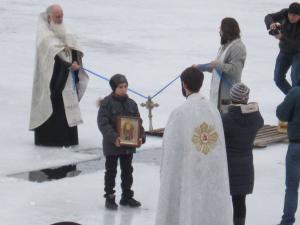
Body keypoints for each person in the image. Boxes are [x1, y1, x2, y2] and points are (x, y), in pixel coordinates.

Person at [155, 67, 232, 225]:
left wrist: (167, 176)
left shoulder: (179, 113)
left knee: (188, 209)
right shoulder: (213, 110)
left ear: (184, 84)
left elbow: (170, 153)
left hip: (188, 173)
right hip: (211, 172)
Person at [29, 4, 89, 147]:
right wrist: (68, 66)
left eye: (62, 15)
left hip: (68, 80)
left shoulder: (64, 30)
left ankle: (69, 139)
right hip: (53, 82)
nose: (60, 18)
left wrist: (75, 60)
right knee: (55, 109)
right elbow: (50, 60)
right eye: (57, 16)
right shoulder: (44, 36)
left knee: (67, 110)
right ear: (50, 17)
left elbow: (73, 48)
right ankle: (51, 140)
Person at [97, 74, 146, 210]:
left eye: (125, 86)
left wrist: (140, 136)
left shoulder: (131, 104)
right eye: (120, 87)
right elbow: (103, 123)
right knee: (111, 171)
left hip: (127, 146)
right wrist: (114, 138)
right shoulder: (106, 103)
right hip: (113, 145)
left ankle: (126, 196)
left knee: (127, 171)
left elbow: (138, 123)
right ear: (114, 88)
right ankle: (110, 197)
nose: (124, 89)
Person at [221, 83, 264, 225]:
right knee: (239, 202)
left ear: (232, 98)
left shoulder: (226, 119)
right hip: (245, 166)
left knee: (223, 200)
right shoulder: (255, 118)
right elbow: (258, 118)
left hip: (227, 166)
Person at [194, 17, 246, 113]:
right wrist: (199, 67)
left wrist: (218, 65)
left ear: (227, 31)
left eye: (220, 29)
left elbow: (235, 70)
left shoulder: (238, 47)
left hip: (228, 95)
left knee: (226, 121)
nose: (219, 31)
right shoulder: (225, 46)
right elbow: (216, 66)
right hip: (217, 96)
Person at [276, 82, 300, 225]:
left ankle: (287, 221)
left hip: (296, 146)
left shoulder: (296, 92)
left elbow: (281, 113)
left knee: (291, 187)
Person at [265, 2, 300, 95]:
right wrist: (271, 23)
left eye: (295, 16)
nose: (292, 17)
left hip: (298, 53)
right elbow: (268, 16)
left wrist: (282, 37)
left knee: (295, 77)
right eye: (290, 14)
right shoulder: (284, 14)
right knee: (278, 78)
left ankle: (296, 101)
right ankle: (293, 100)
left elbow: (297, 45)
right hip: (285, 51)